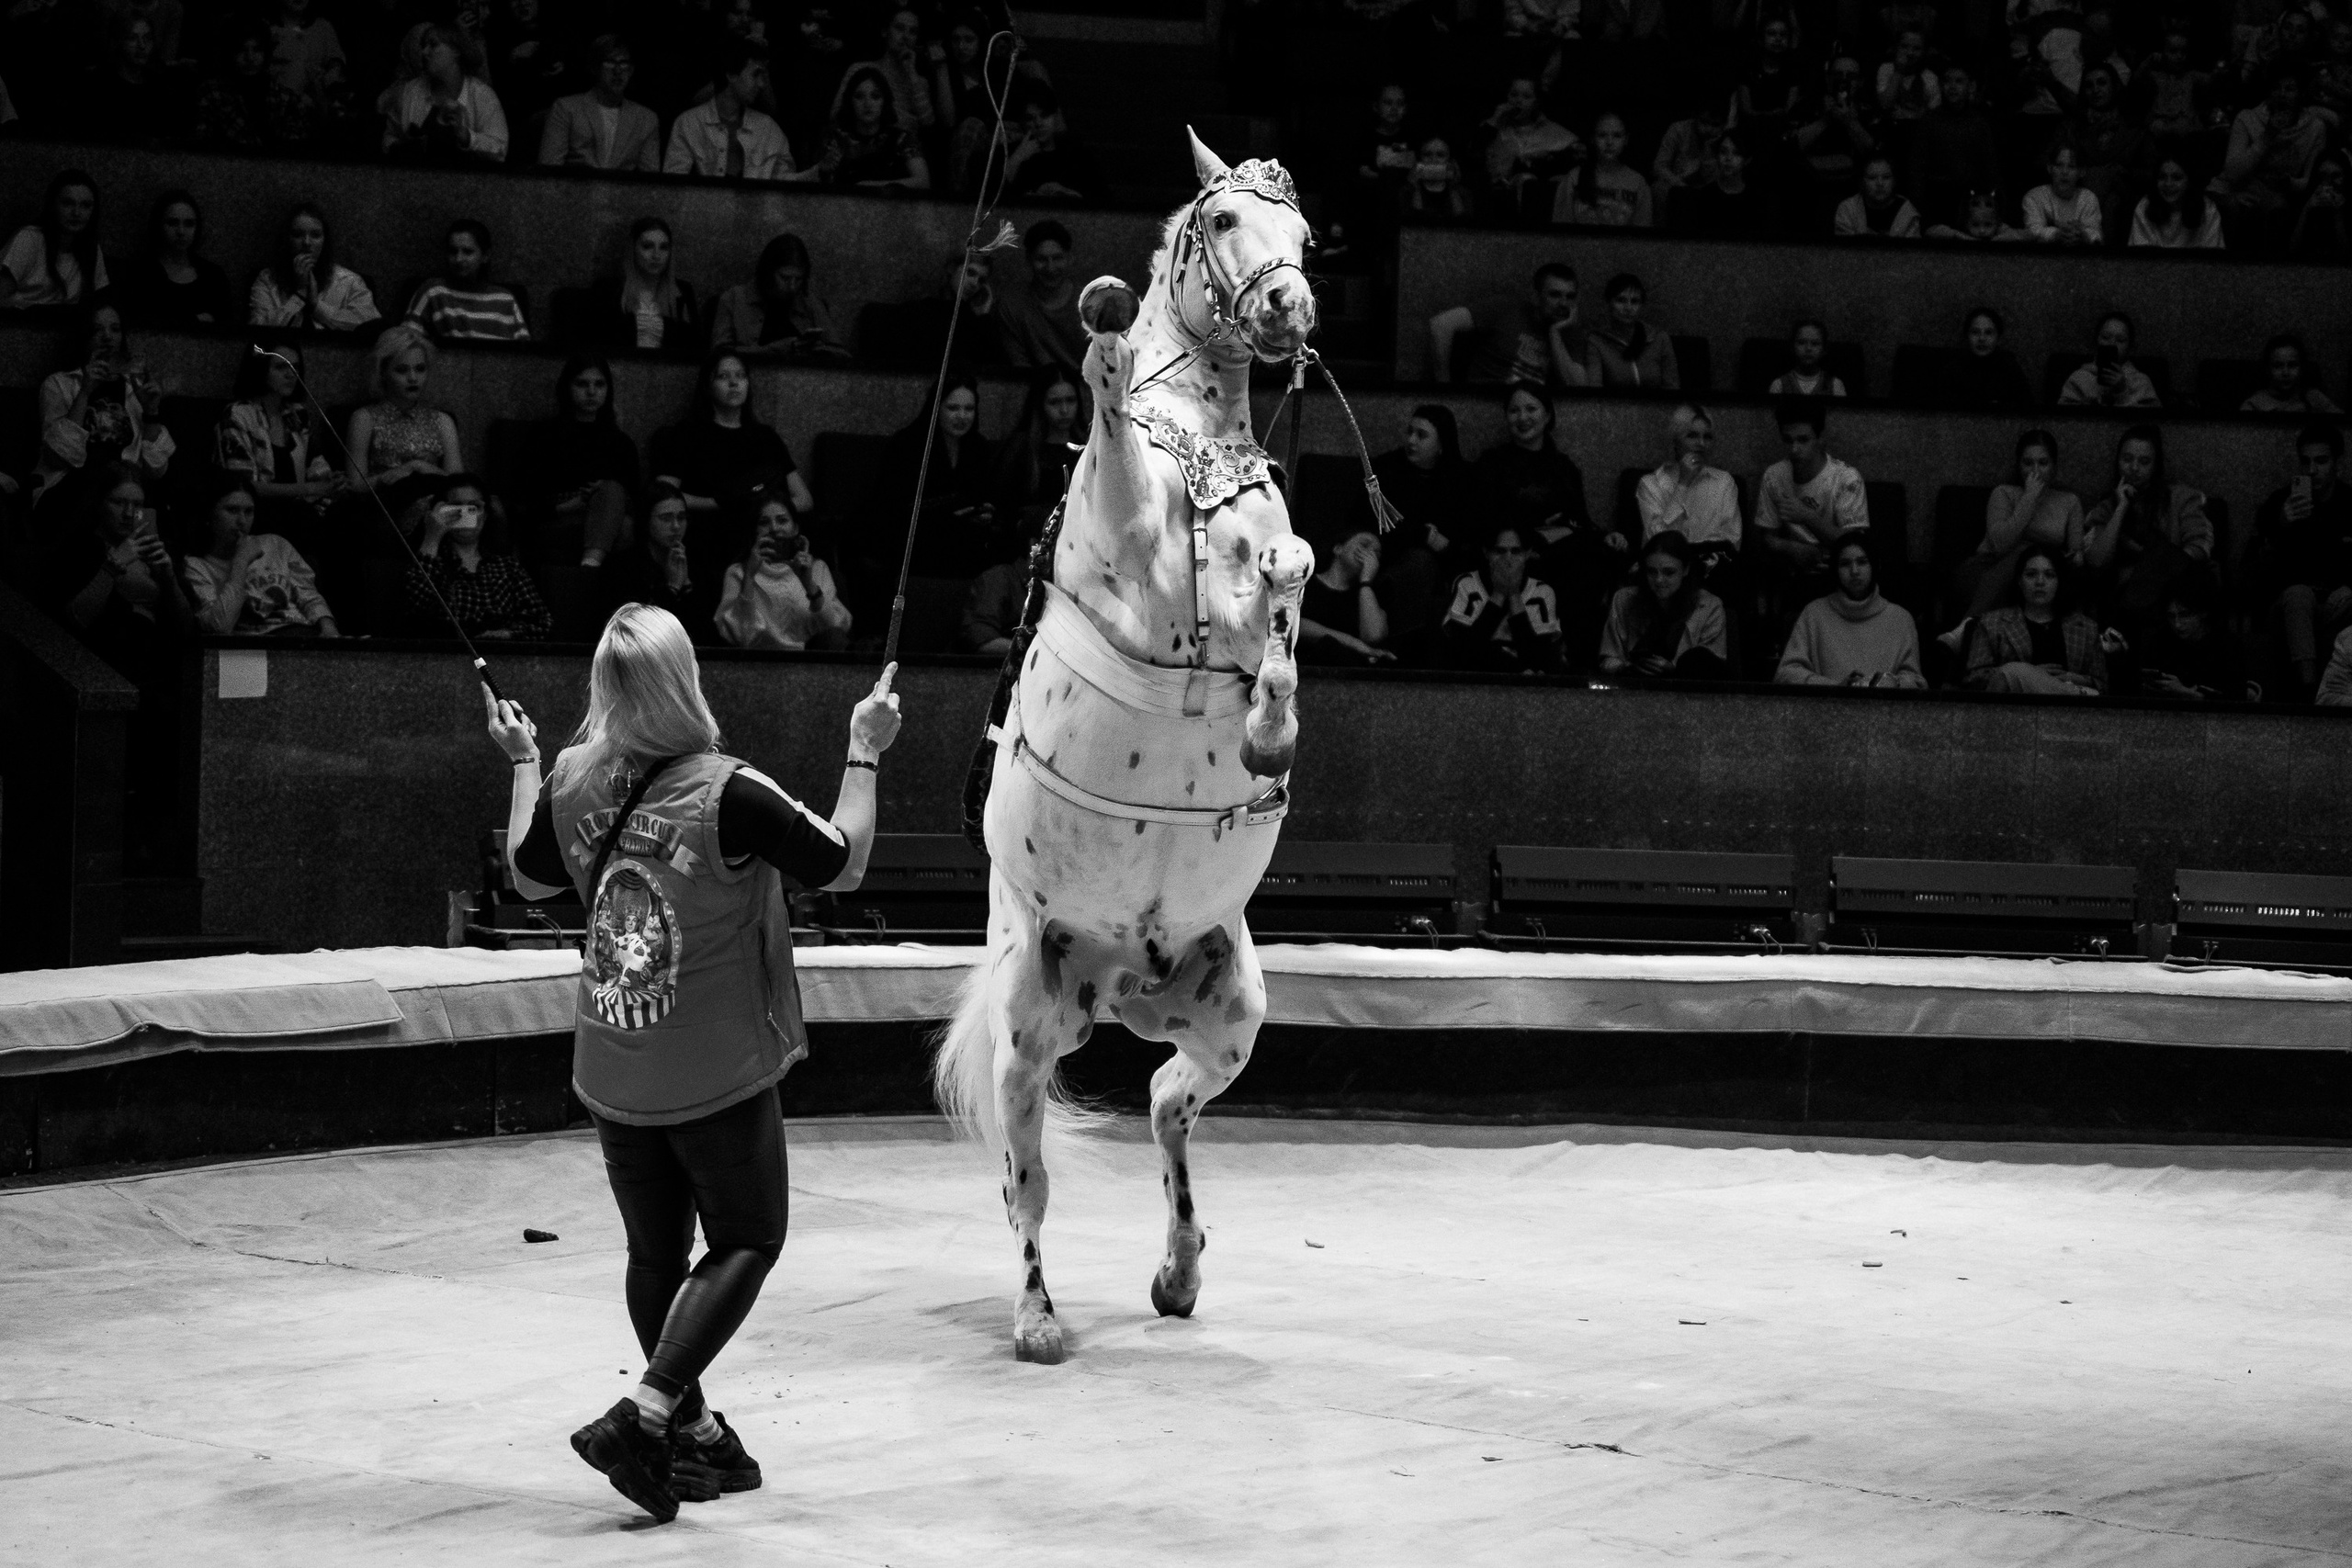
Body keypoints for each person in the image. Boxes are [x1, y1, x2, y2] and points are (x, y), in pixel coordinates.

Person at [485, 606, 901, 1525]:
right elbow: (843, 863)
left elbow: (526, 876)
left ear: (606, 687)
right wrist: (864, 749)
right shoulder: (730, 793)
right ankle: (644, 1414)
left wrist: (519, 762)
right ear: (685, 680)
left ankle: (693, 1433)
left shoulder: (569, 778)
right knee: (750, 1238)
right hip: (709, 1065)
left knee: (655, 1253)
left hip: (612, 1051)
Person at [648, 348, 812, 591]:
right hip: (711, 526)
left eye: (740, 376)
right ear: (708, 385)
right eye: (723, 377)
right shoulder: (687, 434)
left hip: (763, 527)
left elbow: (805, 499)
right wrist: (721, 503)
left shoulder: (765, 437)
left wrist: (768, 510)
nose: (734, 383)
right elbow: (662, 494)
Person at [33, 299, 175, 505]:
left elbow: (157, 470)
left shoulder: (133, 388)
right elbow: (59, 457)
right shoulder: (60, 384)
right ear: (84, 334)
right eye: (97, 329)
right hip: (73, 489)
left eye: (115, 329)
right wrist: (85, 392)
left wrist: (151, 411)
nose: (108, 337)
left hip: (125, 492)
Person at [214, 339, 345, 553]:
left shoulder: (297, 414)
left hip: (298, 510)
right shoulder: (238, 414)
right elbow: (245, 485)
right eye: (281, 367)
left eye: (295, 367)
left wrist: (332, 481)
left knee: (343, 516)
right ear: (260, 369)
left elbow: (316, 467)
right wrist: (310, 489)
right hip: (256, 512)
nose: (291, 374)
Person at [1369, 403, 1475, 660]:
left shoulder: (1462, 480)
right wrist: (1424, 537)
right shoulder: (1386, 471)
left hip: (1445, 566)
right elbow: (1378, 525)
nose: (1411, 440)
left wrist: (1443, 545)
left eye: (1422, 435)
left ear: (1441, 445)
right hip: (1390, 560)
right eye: (1410, 432)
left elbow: (1467, 539)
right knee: (1419, 561)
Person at [1948, 428, 2084, 626]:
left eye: (2043, 463)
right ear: (2019, 466)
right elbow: (2000, 544)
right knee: (2023, 552)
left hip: (2038, 574)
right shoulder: (2004, 493)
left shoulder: (2069, 501)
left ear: (2054, 467)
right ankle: (1968, 626)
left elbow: (2077, 554)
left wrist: (2072, 557)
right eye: (2028, 463)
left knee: (2034, 559)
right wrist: (2029, 499)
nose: (2035, 471)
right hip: (1990, 568)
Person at [517, 355, 642, 570]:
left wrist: (602, 496)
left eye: (599, 384)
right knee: (623, 528)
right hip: (560, 517)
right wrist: (569, 506)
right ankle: (591, 572)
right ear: (567, 387)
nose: (592, 392)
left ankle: (589, 568)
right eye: (582, 384)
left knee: (613, 494)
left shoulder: (620, 442)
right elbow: (524, 500)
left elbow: (636, 498)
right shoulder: (544, 436)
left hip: (609, 515)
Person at [2080, 424, 2213, 624]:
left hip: (2172, 592)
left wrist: (2152, 571)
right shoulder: (2107, 507)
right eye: (2127, 459)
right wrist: (2121, 508)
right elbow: (2096, 561)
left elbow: (2200, 546)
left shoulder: (2181, 498)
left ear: (2155, 465)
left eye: (2144, 462)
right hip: (2121, 603)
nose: (2134, 468)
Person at [2257, 423, 2352, 695]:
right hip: (2290, 603)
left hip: (2335, 601)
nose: (2312, 470)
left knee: (2344, 598)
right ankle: (2308, 689)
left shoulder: (2349, 503)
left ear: (2337, 463)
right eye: (2306, 461)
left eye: (2321, 461)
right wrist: (2282, 524)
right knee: (2299, 596)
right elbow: (2262, 563)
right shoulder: (2280, 503)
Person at [180, 474, 339, 637]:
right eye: (232, 510)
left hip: (300, 634)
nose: (242, 520)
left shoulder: (275, 544)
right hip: (251, 650)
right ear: (209, 515)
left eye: (248, 512)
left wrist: (328, 629)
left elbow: (308, 595)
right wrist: (241, 562)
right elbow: (219, 628)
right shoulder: (196, 565)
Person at [1752, 397, 1871, 609]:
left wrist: (1807, 516)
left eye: (1803, 440)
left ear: (1820, 438)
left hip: (1838, 575)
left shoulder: (1846, 479)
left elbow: (1856, 543)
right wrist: (1792, 549)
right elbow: (1767, 539)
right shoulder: (1775, 475)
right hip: (1793, 573)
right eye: (1788, 440)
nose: (1794, 449)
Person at [346, 324, 462, 538]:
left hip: (437, 508)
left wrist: (416, 467)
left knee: (484, 511)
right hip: (387, 509)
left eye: (420, 369)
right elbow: (355, 486)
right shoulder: (365, 418)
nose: (413, 378)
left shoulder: (442, 421)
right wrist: (387, 478)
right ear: (383, 373)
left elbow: (458, 484)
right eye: (402, 370)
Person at [403, 472, 551, 639]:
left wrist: (506, 634)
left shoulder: (507, 567)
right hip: (444, 656)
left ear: (486, 515)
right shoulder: (431, 561)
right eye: (456, 507)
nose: (465, 514)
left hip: (499, 657)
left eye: (474, 507)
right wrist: (432, 537)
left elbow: (541, 622)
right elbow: (418, 606)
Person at [1775, 533, 1925, 688]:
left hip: (1884, 711)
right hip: (1826, 709)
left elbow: (1915, 681)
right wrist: (1836, 687)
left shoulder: (1900, 619)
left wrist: (1885, 684)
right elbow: (1786, 674)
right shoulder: (1813, 614)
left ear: (1874, 565)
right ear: (1835, 570)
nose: (1854, 571)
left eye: (1862, 562)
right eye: (1845, 564)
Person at [715, 494, 852, 650]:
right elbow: (742, 636)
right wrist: (749, 576)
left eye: (782, 521)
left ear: (795, 527)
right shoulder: (738, 572)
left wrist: (808, 583)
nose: (774, 528)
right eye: (764, 523)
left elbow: (836, 629)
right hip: (760, 663)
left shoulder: (816, 568)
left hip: (813, 663)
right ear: (755, 530)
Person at [2210, 67, 2326, 246]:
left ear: (2301, 93)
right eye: (2276, 88)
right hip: (2235, 189)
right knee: (2233, 208)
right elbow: (2232, 173)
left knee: (2279, 210)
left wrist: (2288, 183)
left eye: (2289, 89)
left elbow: (2309, 181)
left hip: (2276, 194)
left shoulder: (2315, 128)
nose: (2282, 95)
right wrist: (2267, 137)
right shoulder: (2247, 118)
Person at [1962, 547, 2106, 694]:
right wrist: (2029, 675)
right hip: (2013, 709)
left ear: (2059, 581)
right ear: (2019, 581)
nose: (2040, 582)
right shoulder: (1992, 623)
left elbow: (2101, 684)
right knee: (2013, 671)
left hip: (2070, 710)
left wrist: (2073, 678)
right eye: (2031, 575)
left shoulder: (2086, 627)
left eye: (2049, 575)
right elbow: (1974, 679)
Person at [1427, 261, 1588, 388]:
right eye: (1555, 295)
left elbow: (1577, 389)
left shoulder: (1569, 332)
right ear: (1536, 296)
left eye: (1570, 297)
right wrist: (1444, 388)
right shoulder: (1506, 309)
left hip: (1529, 409)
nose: (1564, 303)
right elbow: (1440, 325)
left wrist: (1555, 333)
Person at [2107, 567, 2255, 702]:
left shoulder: (2227, 646)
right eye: (2171, 616)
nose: (2177, 624)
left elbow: (2235, 701)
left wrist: (2186, 693)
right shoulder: (2162, 641)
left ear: (2203, 612)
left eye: (2185, 615)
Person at [1598, 530, 1729, 680]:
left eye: (1669, 573)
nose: (1659, 580)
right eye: (1652, 572)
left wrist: (1673, 671)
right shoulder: (1624, 599)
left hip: (1686, 695)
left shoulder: (1709, 606)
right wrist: (1626, 668)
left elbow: (1712, 671)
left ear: (1685, 570)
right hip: (1633, 690)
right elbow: (1607, 659)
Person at [1440, 525, 1566, 673]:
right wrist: (1498, 594)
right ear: (1486, 553)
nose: (1508, 559)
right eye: (1499, 551)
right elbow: (1465, 652)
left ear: (1528, 554)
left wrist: (1514, 595)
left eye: (1516, 552)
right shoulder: (1468, 583)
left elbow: (1539, 658)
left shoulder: (1541, 591)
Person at [666, 39, 795, 181]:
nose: (761, 84)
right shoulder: (689, 123)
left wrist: (817, 171)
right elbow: (673, 188)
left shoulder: (768, 129)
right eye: (755, 74)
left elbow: (786, 186)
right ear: (732, 75)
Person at [1634, 403, 1741, 574]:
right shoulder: (1651, 484)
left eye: (1707, 437)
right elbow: (1655, 541)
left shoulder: (1723, 482)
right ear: (1676, 440)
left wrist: (1701, 562)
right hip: (1665, 573)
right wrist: (1683, 483)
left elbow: (1732, 541)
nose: (1701, 444)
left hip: (1711, 570)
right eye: (1692, 436)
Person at [709, 234, 847, 362]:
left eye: (798, 279)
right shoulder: (734, 299)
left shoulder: (810, 303)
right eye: (785, 278)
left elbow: (842, 354)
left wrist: (817, 351)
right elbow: (719, 355)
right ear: (768, 272)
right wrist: (774, 351)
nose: (792, 286)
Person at [381, 22, 508, 163]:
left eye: (433, 45)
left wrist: (466, 137)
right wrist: (402, 147)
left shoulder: (482, 96)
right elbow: (389, 138)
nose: (424, 52)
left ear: (456, 51)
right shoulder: (409, 92)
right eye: (423, 46)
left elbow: (500, 150)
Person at [248, 202, 379, 332]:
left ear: (324, 240)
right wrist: (299, 296)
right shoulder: (267, 280)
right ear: (287, 239)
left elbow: (370, 326)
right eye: (298, 235)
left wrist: (316, 306)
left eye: (315, 235)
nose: (306, 242)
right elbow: (257, 330)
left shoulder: (349, 281)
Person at [115, 189, 236, 330]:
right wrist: (195, 320)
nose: (181, 231)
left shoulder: (213, 277)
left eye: (189, 224)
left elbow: (228, 331)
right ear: (158, 225)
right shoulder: (140, 274)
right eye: (173, 223)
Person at [540, 35, 662, 171]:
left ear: (631, 70)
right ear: (595, 67)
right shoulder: (566, 108)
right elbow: (549, 171)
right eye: (610, 62)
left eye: (623, 63)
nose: (618, 70)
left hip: (621, 191)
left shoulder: (646, 119)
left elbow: (651, 181)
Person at [992, 364, 1083, 541]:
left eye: (1070, 400)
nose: (1064, 410)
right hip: (1031, 542)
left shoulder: (1087, 444)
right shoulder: (1023, 447)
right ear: (1040, 403)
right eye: (1054, 402)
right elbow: (1005, 506)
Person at [978, 221, 1083, 373]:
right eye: (1041, 259)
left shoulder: (1090, 304)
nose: (1050, 268)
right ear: (1028, 260)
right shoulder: (1012, 305)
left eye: (1057, 258)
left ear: (1070, 258)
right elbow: (1020, 369)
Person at [0, 170, 107, 314]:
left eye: (86, 205)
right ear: (53, 205)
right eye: (68, 203)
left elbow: (100, 302)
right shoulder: (29, 239)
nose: (76, 213)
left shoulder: (91, 248)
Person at [1908, 59, 1998, 228]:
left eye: (1959, 81)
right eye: (1947, 81)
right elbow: (1917, 166)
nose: (1952, 86)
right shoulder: (1929, 121)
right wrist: (1921, 203)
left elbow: (1989, 166)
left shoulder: (1979, 123)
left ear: (1971, 86)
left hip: (1971, 201)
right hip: (1936, 197)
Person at [403, 220, 529, 342]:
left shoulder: (505, 299)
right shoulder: (433, 291)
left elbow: (524, 354)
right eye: (453, 252)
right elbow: (405, 341)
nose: (458, 259)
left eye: (467, 252)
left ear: (485, 256)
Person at [1480, 76, 1579, 218]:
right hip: (1497, 206)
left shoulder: (1552, 131)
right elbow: (1473, 153)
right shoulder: (1493, 128)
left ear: (1536, 102)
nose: (1518, 101)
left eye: (1526, 96)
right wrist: (1494, 121)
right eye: (1513, 95)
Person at [817, 64, 929, 189]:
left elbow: (923, 182)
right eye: (859, 96)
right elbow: (820, 187)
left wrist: (870, 187)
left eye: (875, 96)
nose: (867, 103)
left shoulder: (901, 138)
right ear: (850, 101)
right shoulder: (837, 138)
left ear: (884, 101)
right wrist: (824, 170)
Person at [600, 218, 701, 356]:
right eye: (647, 246)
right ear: (633, 249)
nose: (656, 255)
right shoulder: (610, 290)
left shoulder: (682, 291)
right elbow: (600, 339)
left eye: (664, 247)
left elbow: (695, 345)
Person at [1298, 529, 1395, 665]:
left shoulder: (1369, 595)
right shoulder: (1305, 584)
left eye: (1376, 553)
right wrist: (1354, 643)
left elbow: (1374, 636)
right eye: (1364, 545)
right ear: (1338, 549)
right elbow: (1295, 625)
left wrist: (1366, 582)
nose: (1370, 554)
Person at [999, 86, 1100, 204]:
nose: (1038, 123)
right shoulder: (1010, 154)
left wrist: (1067, 193)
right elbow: (992, 201)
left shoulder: (1077, 156)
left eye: (1045, 115)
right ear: (1022, 121)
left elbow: (1100, 200)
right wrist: (1018, 158)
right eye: (1030, 118)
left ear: (1055, 116)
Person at [1675, 128, 1782, 237]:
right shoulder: (1704, 197)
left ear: (1747, 160)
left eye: (1736, 153)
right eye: (1723, 152)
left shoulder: (1759, 200)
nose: (1728, 158)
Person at [1554, 111, 1652, 226]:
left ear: (1626, 140)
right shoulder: (1573, 178)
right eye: (1602, 135)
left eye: (1617, 136)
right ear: (1593, 139)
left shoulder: (1638, 183)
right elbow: (1561, 230)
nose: (1609, 142)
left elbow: (1643, 236)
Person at [1584, 272, 1679, 389]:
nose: (1628, 308)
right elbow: (1594, 390)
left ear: (1641, 306)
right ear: (1609, 303)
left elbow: (1673, 389)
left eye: (1634, 302)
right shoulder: (1597, 342)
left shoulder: (1659, 339)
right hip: (1615, 407)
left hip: (1655, 407)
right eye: (1621, 300)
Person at [2056, 312, 2161, 408]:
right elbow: (2062, 420)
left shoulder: (2141, 382)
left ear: (2129, 346)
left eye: (2120, 340)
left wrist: (2122, 393)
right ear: (2096, 340)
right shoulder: (2079, 378)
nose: (2112, 343)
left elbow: (2151, 423)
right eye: (2105, 337)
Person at [1939, 305, 2035, 408]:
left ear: (1998, 338)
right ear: (1967, 337)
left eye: (1988, 333)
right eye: (1975, 332)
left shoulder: (2010, 370)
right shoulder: (1953, 371)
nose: (1982, 338)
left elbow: (2027, 410)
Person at [2129, 156, 2225, 248]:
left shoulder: (2208, 210)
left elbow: (2212, 260)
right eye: (2162, 177)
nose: (2168, 184)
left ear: (2189, 181)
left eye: (2177, 178)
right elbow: (2140, 259)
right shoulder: (2145, 207)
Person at [2022, 144, 2103, 244]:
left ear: (2082, 172)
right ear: (2050, 168)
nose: (2064, 172)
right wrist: (2056, 234)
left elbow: (2097, 236)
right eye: (2059, 165)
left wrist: (2083, 234)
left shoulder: (2088, 199)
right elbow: (2032, 232)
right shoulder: (2034, 197)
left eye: (2071, 166)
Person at [2244, 334, 2343, 415]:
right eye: (2278, 366)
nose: (2285, 372)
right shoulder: (2254, 404)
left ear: (2302, 368)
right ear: (2268, 369)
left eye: (2292, 365)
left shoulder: (2314, 398)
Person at [1835, 154, 1923, 237]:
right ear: (1862, 182)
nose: (1880, 183)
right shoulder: (1848, 210)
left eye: (1886, 177)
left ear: (1895, 181)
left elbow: (1911, 252)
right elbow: (1844, 250)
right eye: (1872, 178)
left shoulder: (1908, 213)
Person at [1399, 136, 1478, 223]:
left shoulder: (1463, 193)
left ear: (1450, 161)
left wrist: (1453, 188)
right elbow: (1412, 222)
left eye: (1440, 155)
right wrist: (1416, 188)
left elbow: (1464, 223)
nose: (1433, 160)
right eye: (1427, 155)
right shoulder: (1407, 191)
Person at [2289, 152, 2352, 260]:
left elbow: (2347, 257)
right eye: (2323, 176)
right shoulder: (2303, 200)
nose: (2328, 183)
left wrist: (2338, 214)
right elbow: (2291, 251)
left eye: (2335, 176)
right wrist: (2306, 210)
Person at [1769, 320, 1847, 397]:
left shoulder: (1835, 385)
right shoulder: (1779, 384)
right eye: (1801, 342)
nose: (1808, 348)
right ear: (1792, 346)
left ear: (1824, 349)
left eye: (1815, 344)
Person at [1925, 188, 2028, 243]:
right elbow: (1930, 231)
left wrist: (1997, 240)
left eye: (1988, 225)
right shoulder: (1963, 232)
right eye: (1975, 225)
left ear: (1997, 223)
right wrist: (1960, 236)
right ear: (1966, 222)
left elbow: (2028, 235)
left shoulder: (2001, 229)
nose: (1982, 231)